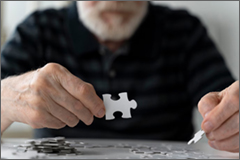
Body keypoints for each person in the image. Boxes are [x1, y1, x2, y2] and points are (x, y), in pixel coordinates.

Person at [1, 1, 239, 153]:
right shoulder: (38, 29)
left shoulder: (185, 31)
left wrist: (231, 115)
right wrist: (7, 97)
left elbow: (225, 101)